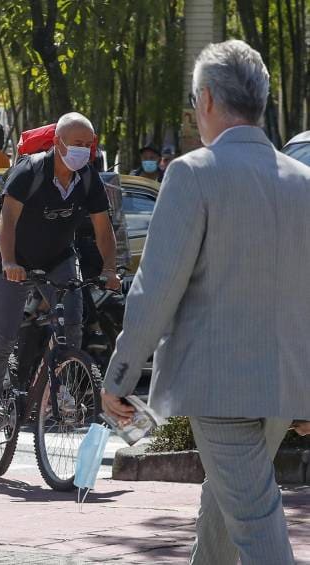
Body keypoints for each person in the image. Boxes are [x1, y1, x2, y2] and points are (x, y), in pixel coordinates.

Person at [101, 40, 310, 564]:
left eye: (194, 103)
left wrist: (119, 377)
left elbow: (156, 289)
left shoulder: (194, 173)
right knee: (223, 516)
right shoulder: (302, 182)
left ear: (209, 100)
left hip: (220, 388)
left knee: (257, 526)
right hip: (281, 389)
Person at [0, 112, 121, 444]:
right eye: (77, 144)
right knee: (2, 339)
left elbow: (102, 229)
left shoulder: (89, 180)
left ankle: (60, 388)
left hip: (59, 259)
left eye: (88, 145)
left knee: (72, 324)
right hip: (16, 260)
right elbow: (7, 220)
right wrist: (8, 260)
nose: (84, 151)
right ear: (57, 143)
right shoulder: (30, 171)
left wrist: (109, 268)